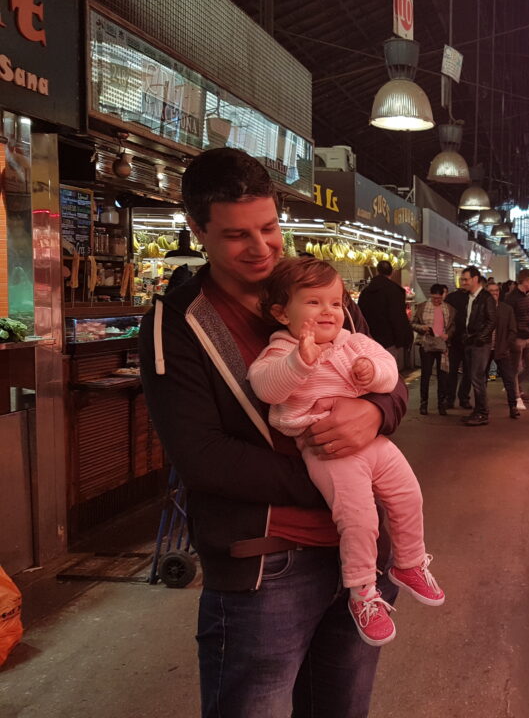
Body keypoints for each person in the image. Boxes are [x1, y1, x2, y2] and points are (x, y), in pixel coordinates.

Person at [139, 148, 408, 717]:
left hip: (361, 556)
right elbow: (202, 456)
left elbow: (385, 374)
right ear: (198, 231)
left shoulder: (320, 293)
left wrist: (377, 412)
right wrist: (335, 481)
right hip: (266, 565)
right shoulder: (180, 322)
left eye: (268, 228)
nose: (261, 248)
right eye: (237, 235)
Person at [248, 258, 444, 647]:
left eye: (336, 303)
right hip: (327, 450)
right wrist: (299, 362)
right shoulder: (281, 349)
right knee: (359, 518)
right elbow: (266, 388)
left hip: (374, 441)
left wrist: (373, 372)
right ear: (281, 313)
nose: (329, 311)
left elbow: (389, 370)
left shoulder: (352, 341)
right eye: (314, 302)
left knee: (408, 494)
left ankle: (409, 562)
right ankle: (363, 591)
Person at [357, 260, 413, 364]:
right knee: (388, 368)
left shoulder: (365, 291)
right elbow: (398, 317)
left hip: (370, 339)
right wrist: (404, 339)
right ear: (391, 272)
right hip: (389, 341)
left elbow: (360, 316)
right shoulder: (395, 291)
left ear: (377, 271)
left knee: (372, 368)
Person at [460, 265, 496, 426]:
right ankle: (478, 411)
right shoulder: (468, 297)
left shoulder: (486, 298)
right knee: (474, 377)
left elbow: (492, 321)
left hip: (480, 344)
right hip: (470, 342)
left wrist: (481, 338)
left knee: (477, 378)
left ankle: (482, 413)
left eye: (465, 279)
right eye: (462, 279)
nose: (463, 282)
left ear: (475, 279)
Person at [411, 284, 455, 415]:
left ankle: (441, 404)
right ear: (430, 295)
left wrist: (448, 335)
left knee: (443, 376)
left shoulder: (448, 309)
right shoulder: (422, 307)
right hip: (426, 344)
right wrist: (422, 328)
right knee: (426, 375)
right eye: (434, 298)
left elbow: (452, 326)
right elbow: (412, 323)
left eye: (439, 298)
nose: (436, 300)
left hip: (442, 345)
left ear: (443, 295)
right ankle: (423, 404)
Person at [486, 281, 521, 419]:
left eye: (496, 290)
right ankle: (481, 407)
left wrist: (505, 345)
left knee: (509, 378)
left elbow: (513, 330)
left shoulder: (506, 309)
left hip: (501, 349)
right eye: (491, 291)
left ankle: (513, 406)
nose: (494, 293)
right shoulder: (482, 308)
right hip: (485, 349)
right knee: (482, 379)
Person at [505, 268, 529, 410]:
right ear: (525, 281)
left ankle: (516, 386)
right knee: (515, 368)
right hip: (517, 337)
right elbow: (508, 319)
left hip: (528, 336)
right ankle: (516, 397)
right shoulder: (511, 298)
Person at [444, 283, 471, 410]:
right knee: (454, 371)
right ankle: (454, 398)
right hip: (454, 340)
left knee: (466, 372)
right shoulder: (452, 297)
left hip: (468, 340)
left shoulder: (475, 297)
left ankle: (460, 398)